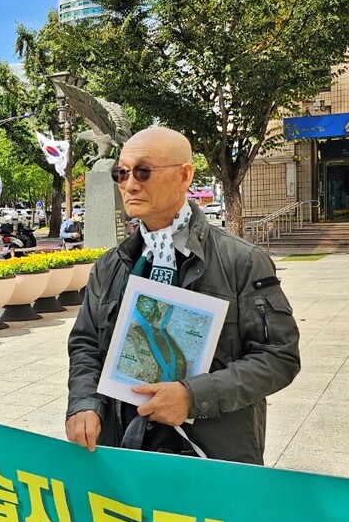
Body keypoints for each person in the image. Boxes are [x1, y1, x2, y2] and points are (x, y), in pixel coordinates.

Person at [65, 127, 300, 464]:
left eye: (143, 171)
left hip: (213, 457)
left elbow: (279, 357)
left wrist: (192, 398)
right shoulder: (111, 265)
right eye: (122, 173)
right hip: (124, 449)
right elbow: (86, 343)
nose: (130, 184)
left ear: (184, 175)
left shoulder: (242, 260)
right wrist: (84, 403)